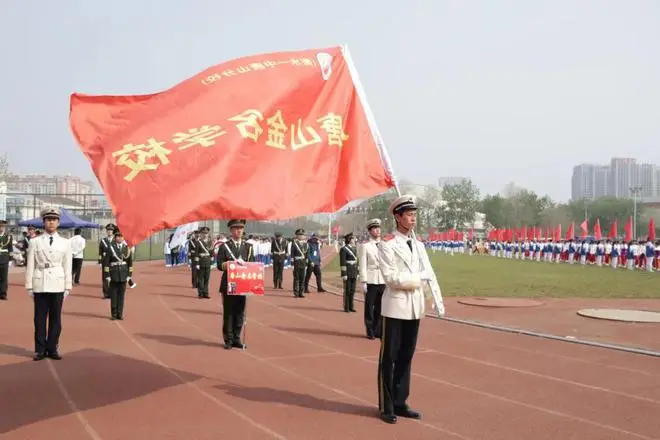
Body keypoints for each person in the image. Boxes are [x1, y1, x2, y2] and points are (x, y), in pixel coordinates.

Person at [377, 194, 444, 424]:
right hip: (395, 307)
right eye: (409, 215)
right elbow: (391, 278)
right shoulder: (387, 244)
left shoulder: (418, 244)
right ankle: (386, 406)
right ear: (398, 217)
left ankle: (400, 401)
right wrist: (418, 279)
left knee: (406, 356)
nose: (413, 219)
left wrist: (435, 297)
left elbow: (429, 274)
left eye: (415, 215)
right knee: (389, 358)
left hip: (414, 307)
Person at [25, 207, 73, 361]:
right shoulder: (35, 241)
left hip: (58, 283)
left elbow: (68, 265)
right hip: (40, 282)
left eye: (54, 219)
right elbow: (30, 264)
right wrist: (29, 286)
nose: (51, 222)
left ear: (58, 222)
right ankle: (40, 349)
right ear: (43, 222)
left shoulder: (65, 243)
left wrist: (67, 286)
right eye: (48, 219)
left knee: (56, 319)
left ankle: (52, 348)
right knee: (39, 319)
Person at [217, 219, 254, 349]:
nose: (239, 231)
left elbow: (252, 264)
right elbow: (219, 265)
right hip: (229, 283)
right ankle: (228, 338)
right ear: (231, 230)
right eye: (236, 228)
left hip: (242, 284)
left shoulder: (248, 247)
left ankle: (237, 338)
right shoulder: (224, 246)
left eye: (241, 228)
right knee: (229, 312)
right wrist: (228, 265)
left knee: (239, 312)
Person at [359, 218, 385, 339]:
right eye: (375, 228)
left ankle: (377, 329)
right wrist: (363, 280)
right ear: (370, 231)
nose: (377, 230)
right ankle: (369, 329)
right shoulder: (366, 246)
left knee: (381, 306)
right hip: (371, 278)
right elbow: (363, 264)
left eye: (378, 228)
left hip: (382, 279)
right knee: (369, 306)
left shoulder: (385, 245)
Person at [103, 229, 133, 320]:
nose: (119, 238)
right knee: (114, 296)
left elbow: (130, 263)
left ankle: (120, 314)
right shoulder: (110, 248)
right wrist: (107, 275)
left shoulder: (126, 248)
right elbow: (106, 263)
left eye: (121, 236)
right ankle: (114, 314)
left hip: (123, 275)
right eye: (118, 236)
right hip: (114, 274)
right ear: (115, 237)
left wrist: (129, 275)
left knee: (121, 296)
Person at [339, 233, 359, 312]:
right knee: (347, 290)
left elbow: (357, 261)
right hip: (347, 271)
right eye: (353, 239)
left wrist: (357, 272)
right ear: (349, 240)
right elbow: (342, 262)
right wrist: (344, 274)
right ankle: (346, 307)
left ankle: (351, 306)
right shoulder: (344, 249)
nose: (355, 240)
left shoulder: (354, 248)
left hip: (353, 271)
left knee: (352, 290)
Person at [192, 226, 213, 299]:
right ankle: (200, 293)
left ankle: (206, 293)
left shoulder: (210, 242)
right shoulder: (198, 242)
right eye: (203, 233)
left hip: (208, 262)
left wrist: (212, 263)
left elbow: (212, 253)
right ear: (201, 234)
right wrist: (197, 264)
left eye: (206, 233)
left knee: (207, 279)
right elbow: (196, 253)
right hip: (201, 262)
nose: (205, 234)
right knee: (200, 279)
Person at [98, 223, 116, 298]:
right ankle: (106, 293)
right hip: (105, 262)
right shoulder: (103, 241)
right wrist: (100, 261)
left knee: (114, 278)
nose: (109, 232)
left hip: (114, 262)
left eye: (111, 230)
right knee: (105, 278)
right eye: (108, 230)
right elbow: (100, 252)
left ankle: (113, 293)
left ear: (113, 231)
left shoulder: (116, 240)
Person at [290, 229, 309, 298]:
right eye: (299, 235)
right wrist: (292, 262)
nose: (301, 236)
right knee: (296, 278)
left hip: (303, 262)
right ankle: (296, 292)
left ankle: (301, 292)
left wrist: (307, 262)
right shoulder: (294, 243)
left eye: (302, 235)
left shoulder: (306, 244)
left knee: (302, 278)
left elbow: (307, 254)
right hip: (297, 262)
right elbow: (292, 253)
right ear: (297, 236)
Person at [0, 219, 13, 300]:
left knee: (4, 277)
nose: (1, 228)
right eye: (0, 226)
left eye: (2, 226)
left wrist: (10, 260)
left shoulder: (8, 236)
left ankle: (3, 293)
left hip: (5, 258)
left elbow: (10, 248)